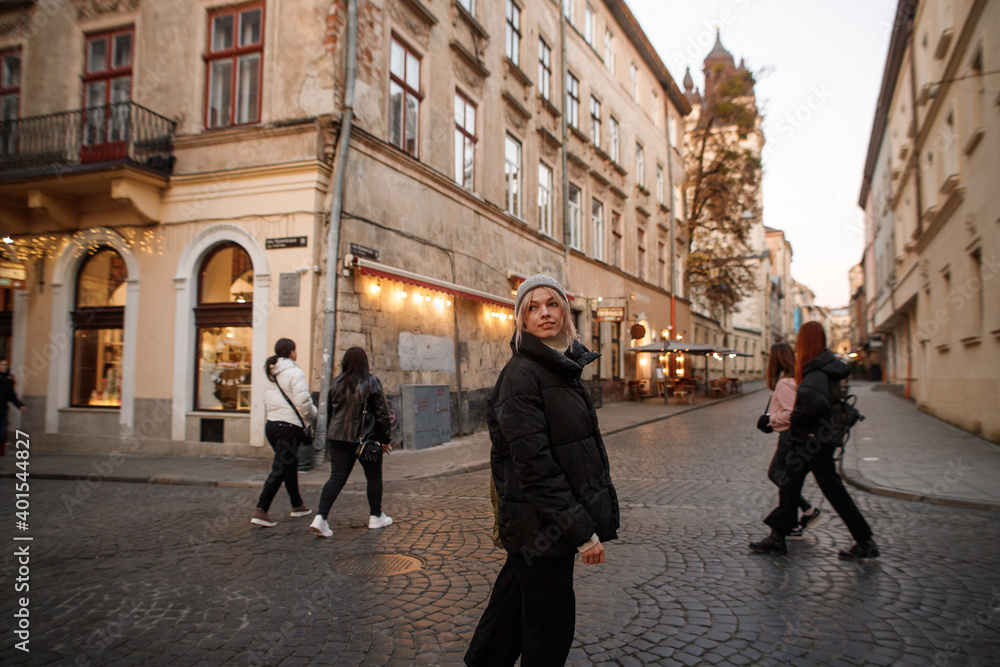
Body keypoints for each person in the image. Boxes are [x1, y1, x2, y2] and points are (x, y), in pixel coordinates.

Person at [465, 274, 620, 667]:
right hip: (540, 526)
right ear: (521, 320)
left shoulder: (559, 367)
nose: (544, 313)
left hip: (537, 526)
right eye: (532, 307)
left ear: (565, 311)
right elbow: (535, 467)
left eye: (551, 303)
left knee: (508, 616)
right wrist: (581, 531)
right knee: (549, 627)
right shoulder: (523, 375)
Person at [750, 322, 879, 559]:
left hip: (812, 440)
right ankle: (778, 537)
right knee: (789, 483)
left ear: (805, 341)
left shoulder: (816, 370)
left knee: (830, 490)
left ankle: (864, 541)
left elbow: (814, 405)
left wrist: (785, 418)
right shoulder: (824, 367)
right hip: (815, 439)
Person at [310, 347, 392, 538]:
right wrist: (386, 439)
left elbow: (331, 413)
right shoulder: (371, 382)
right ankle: (375, 516)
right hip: (365, 440)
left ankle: (320, 518)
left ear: (345, 362)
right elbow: (382, 414)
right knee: (373, 476)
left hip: (338, 437)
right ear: (365, 362)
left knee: (336, 477)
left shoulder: (336, 382)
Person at [251, 338, 316, 527]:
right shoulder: (295, 372)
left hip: (272, 424)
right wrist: (312, 415)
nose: (296, 353)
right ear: (290, 352)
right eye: (295, 350)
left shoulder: (269, 372)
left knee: (290, 463)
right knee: (280, 468)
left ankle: (297, 505)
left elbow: (265, 398)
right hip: (288, 427)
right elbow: (304, 402)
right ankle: (261, 509)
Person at [764, 343, 821, 538]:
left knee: (777, 474)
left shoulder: (784, 383)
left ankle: (806, 511)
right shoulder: (793, 379)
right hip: (792, 434)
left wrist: (771, 419)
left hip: (789, 435)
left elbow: (791, 413)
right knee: (786, 478)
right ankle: (793, 523)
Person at [0, 359, 25, 457]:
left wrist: (20, 405)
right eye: (2, 364)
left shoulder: (8, 381)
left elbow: (11, 396)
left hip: (2, 411)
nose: (4, 367)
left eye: (5, 365)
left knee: (1, 435)